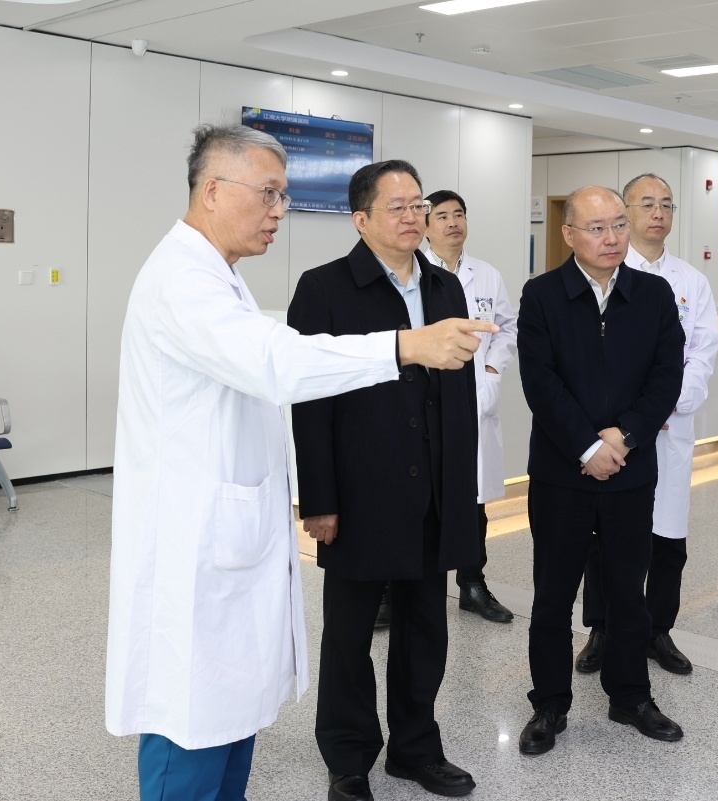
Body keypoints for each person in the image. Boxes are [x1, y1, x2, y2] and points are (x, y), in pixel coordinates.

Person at [105, 126, 493, 801]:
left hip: (232, 539)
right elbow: (278, 362)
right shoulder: (181, 281)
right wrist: (402, 347)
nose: (280, 210)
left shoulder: (218, 277)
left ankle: (411, 745)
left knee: (227, 726)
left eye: (282, 195)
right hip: (193, 552)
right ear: (213, 190)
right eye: (270, 194)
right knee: (190, 729)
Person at [289, 160, 482, 801]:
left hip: (433, 492)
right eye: (396, 206)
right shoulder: (324, 288)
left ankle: (415, 748)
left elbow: (458, 398)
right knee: (349, 637)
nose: (413, 216)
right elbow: (309, 400)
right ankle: (348, 759)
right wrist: (319, 499)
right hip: (361, 492)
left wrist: (461, 492)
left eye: (418, 204)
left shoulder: (445, 287)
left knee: (425, 628)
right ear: (361, 219)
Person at [516, 185, 685, 756]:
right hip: (562, 472)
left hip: (631, 471)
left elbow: (666, 376)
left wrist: (626, 436)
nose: (612, 237)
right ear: (569, 234)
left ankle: (630, 696)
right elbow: (540, 382)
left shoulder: (653, 294)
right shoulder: (542, 295)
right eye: (597, 227)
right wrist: (587, 446)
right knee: (553, 592)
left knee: (627, 590)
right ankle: (549, 703)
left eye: (618, 225)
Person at [576, 173, 718, 677]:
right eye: (646, 204)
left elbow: (702, 353)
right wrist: (634, 418)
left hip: (670, 430)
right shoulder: (605, 272)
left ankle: (657, 629)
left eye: (666, 205)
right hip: (617, 434)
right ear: (624, 213)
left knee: (667, 537)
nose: (658, 214)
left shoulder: (691, 281)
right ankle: (601, 628)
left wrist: (664, 406)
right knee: (605, 536)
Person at [421, 188, 519, 624]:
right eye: (442, 216)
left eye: (458, 214)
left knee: (473, 498)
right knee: (420, 495)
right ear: (426, 227)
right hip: (427, 399)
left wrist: (492, 370)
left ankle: (472, 584)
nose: (452, 222)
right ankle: (397, 586)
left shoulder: (487, 275)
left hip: (476, 398)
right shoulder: (414, 272)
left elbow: (507, 328)